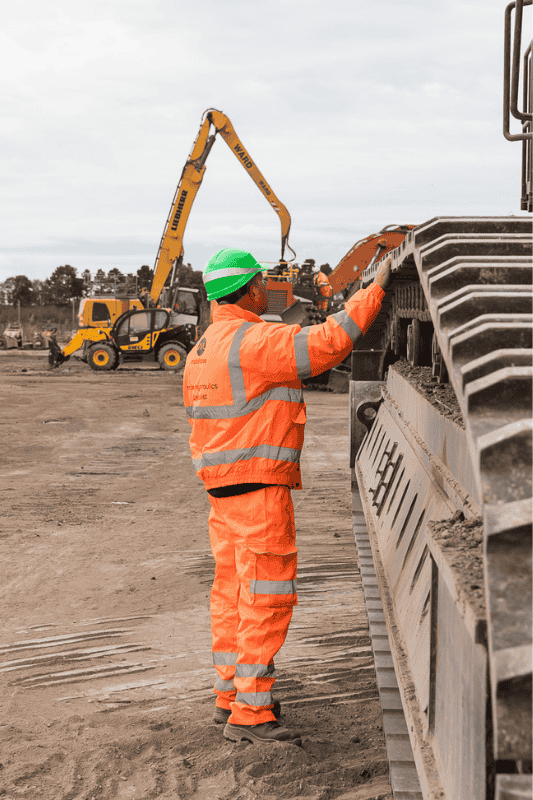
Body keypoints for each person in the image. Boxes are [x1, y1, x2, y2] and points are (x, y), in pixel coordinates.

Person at [183, 247, 391, 746]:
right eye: (261, 285)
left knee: (232, 594)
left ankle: (230, 694)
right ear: (251, 288)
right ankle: (252, 715)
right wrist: (374, 290)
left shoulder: (204, 349)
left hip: (222, 492)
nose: (265, 291)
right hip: (257, 490)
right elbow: (327, 345)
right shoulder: (253, 340)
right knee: (266, 598)